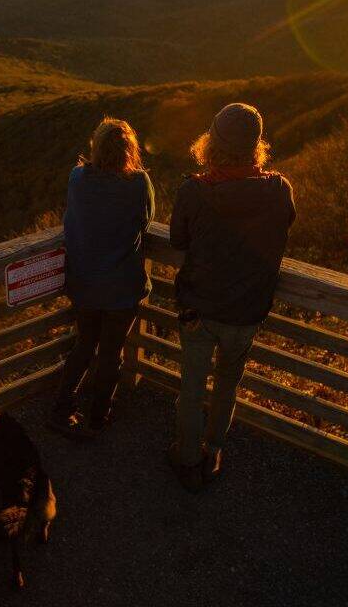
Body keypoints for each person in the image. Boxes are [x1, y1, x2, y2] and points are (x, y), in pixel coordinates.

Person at [168, 103, 295, 492]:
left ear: (211, 143)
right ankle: (214, 451)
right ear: (256, 146)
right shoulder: (278, 190)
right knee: (227, 385)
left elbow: (177, 240)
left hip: (199, 309)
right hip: (245, 313)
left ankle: (187, 457)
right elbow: (282, 228)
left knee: (192, 387)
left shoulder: (194, 191)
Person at [48, 117, 154, 439]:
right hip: (121, 289)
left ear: (96, 147)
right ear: (129, 150)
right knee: (111, 353)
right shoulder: (138, 183)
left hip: (84, 284)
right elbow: (146, 221)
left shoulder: (78, 177)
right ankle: (98, 416)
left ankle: (62, 408)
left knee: (84, 344)